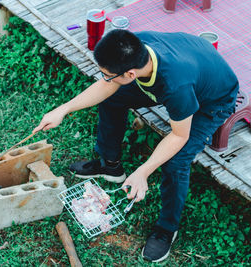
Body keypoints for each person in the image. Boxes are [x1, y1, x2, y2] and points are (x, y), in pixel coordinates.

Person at [33, 29, 239, 262]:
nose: (105, 78)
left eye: (108, 75)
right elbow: (108, 86)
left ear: (131, 74)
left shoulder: (175, 85)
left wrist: (143, 171)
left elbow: (179, 136)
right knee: (112, 97)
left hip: (212, 100)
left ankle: (167, 228)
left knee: (176, 160)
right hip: (191, 71)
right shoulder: (135, 46)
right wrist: (64, 109)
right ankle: (110, 165)